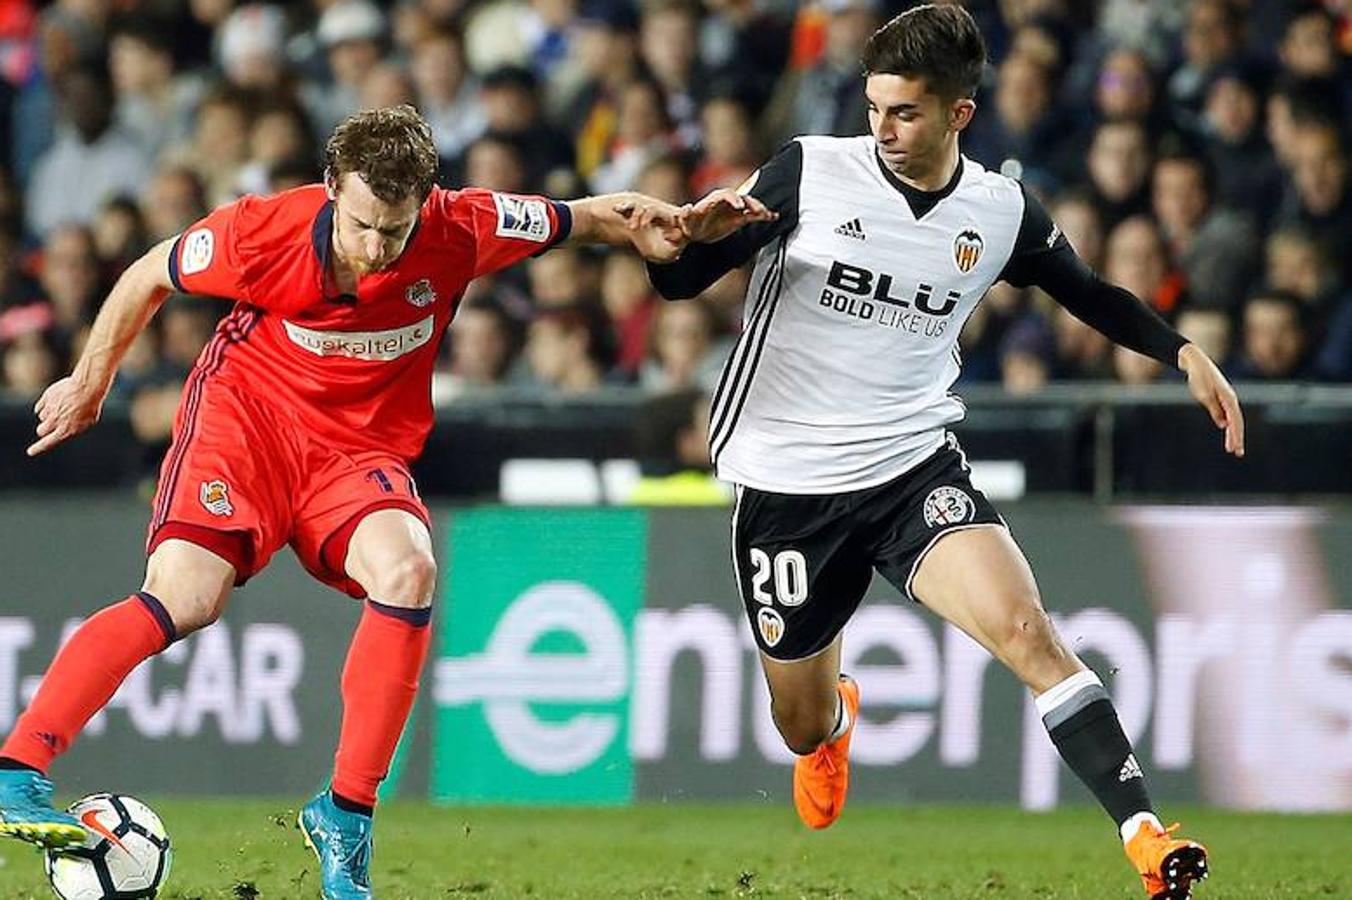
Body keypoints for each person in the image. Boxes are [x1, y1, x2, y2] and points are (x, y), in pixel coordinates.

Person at [0, 105, 691, 900]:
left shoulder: (463, 226)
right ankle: (19, 767)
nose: (373, 249)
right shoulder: (262, 231)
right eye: (361, 224)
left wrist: (656, 226)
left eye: (394, 232)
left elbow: (589, 217)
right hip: (246, 423)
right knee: (185, 599)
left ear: (425, 203)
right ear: (331, 186)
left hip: (357, 452)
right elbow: (149, 271)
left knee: (410, 571)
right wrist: (91, 381)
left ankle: (345, 815)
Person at [648, 7, 1240, 899]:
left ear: (960, 113)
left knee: (1027, 633)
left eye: (906, 113)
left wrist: (1182, 352)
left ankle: (1148, 839)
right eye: (875, 107)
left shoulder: (998, 211)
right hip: (786, 481)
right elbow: (686, 278)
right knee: (798, 725)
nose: (882, 130)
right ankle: (834, 724)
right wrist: (684, 244)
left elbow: (1085, 291)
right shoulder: (814, 170)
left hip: (909, 465)